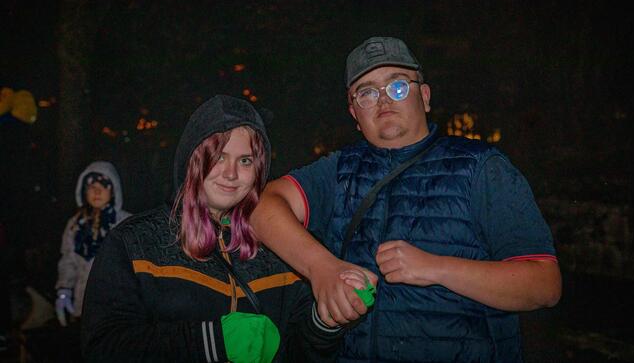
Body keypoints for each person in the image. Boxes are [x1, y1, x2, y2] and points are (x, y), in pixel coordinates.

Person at [251, 36, 562, 362]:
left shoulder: (482, 167)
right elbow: (262, 206)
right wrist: (321, 268)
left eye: (397, 86)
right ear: (354, 114)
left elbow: (544, 285)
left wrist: (436, 268)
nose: (384, 100)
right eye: (367, 93)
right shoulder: (338, 170)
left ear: (424, 97)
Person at [81, 95, 362, 363]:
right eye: (218, 157)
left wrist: (325, 320)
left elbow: (301, 351)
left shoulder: (279, 248)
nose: (230, 173)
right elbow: (104, 347)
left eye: (245, 160)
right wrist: (212, 341)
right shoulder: (135, 242)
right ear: (193, 159)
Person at [55, 161, 131, 327]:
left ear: (113, 190)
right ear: (84, 190)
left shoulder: (127, 223)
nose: (97, 191)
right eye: (91, 186)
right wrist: (64, 290)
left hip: (118, 310)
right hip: (83, 307)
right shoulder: (75, 224)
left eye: (103, 185)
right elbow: (68, 260)